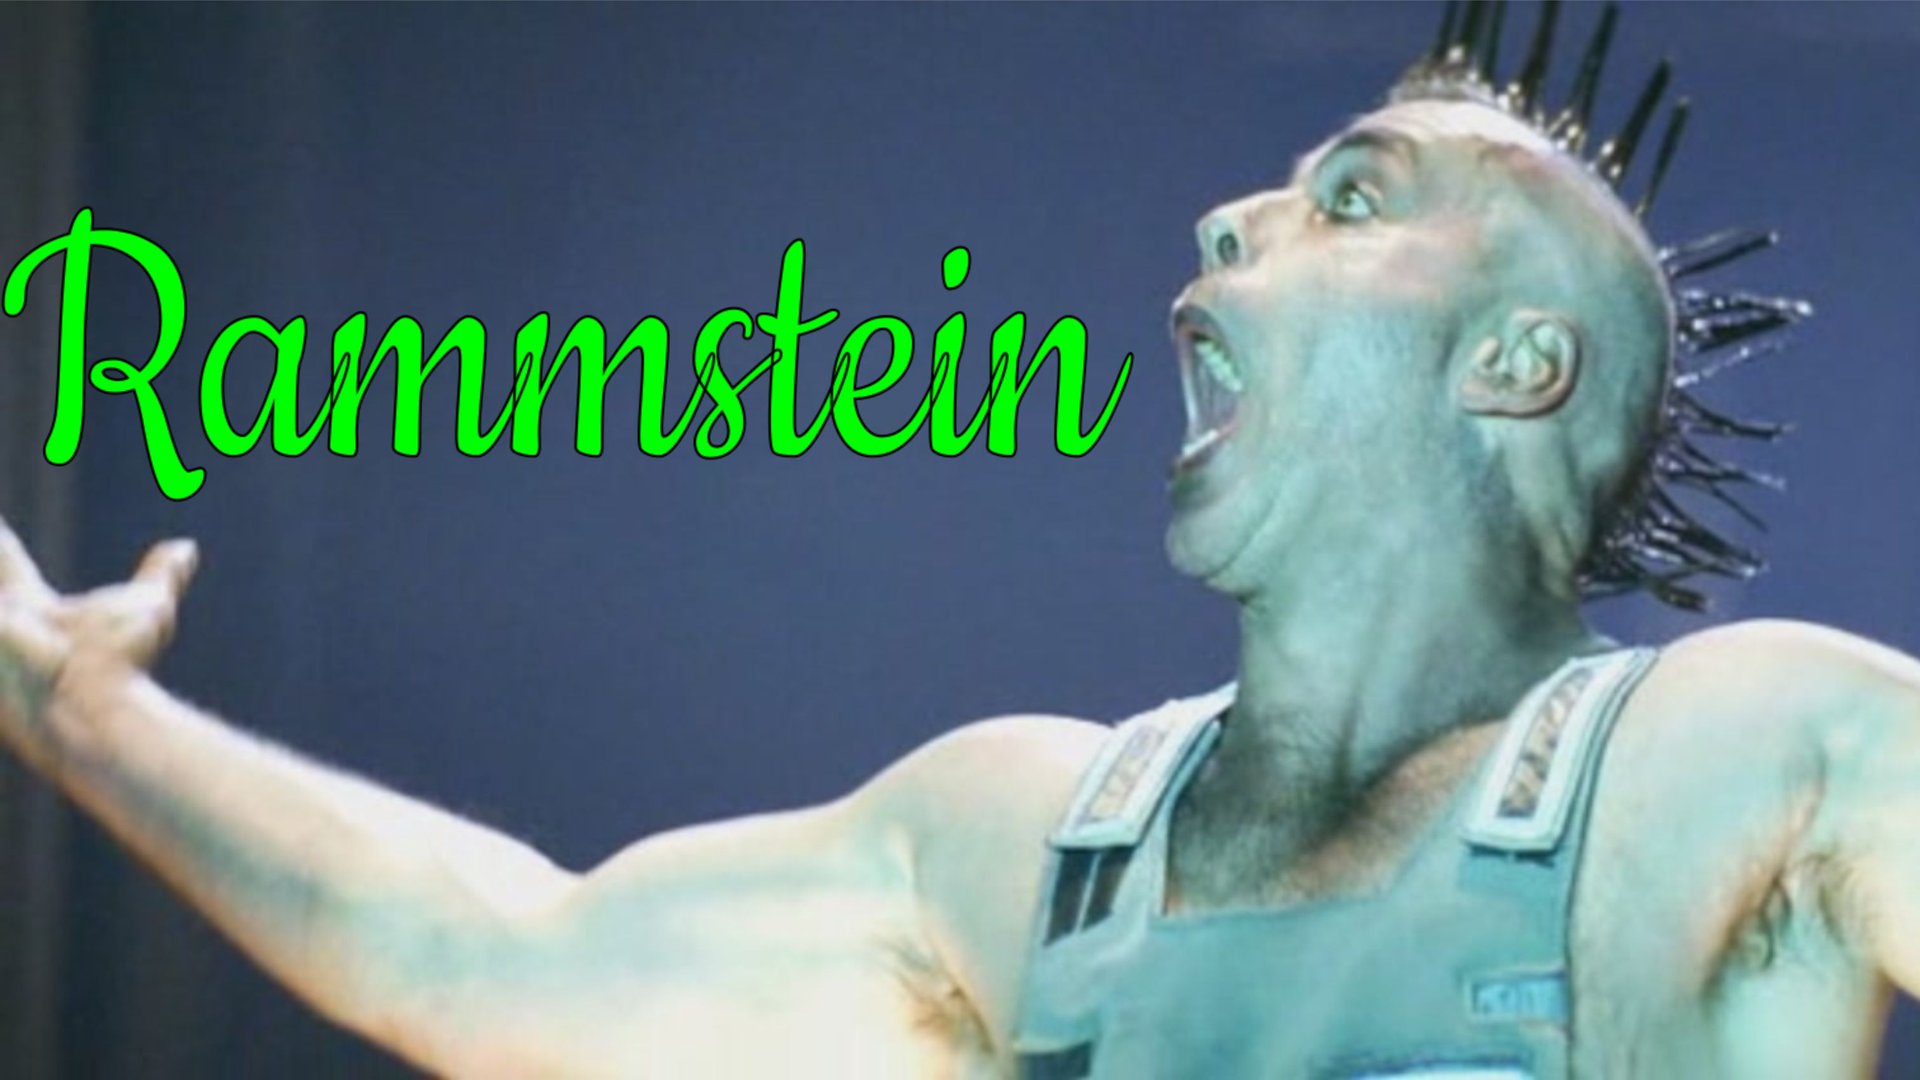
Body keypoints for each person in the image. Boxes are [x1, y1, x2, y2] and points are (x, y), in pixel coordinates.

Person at [0, 3, 1909, 1076]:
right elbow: (496, 956)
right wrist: (76, 706)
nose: (1230, 220)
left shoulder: (1762, 751)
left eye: (1351, 196)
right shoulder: (1023, 845)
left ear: (1517, 360)